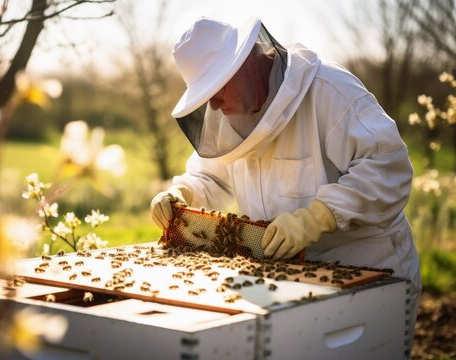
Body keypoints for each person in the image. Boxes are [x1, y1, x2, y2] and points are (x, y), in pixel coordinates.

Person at [150, 16, 421, 352]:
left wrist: (319, 216)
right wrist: (182, 193)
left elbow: (387, 165)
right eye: (205, 96)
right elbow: (209, 174)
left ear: (246, 61)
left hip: (368, 270)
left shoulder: (329, 91)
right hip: (285, 279)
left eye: (216, 88)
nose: (215, 106)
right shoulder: (227, 113)